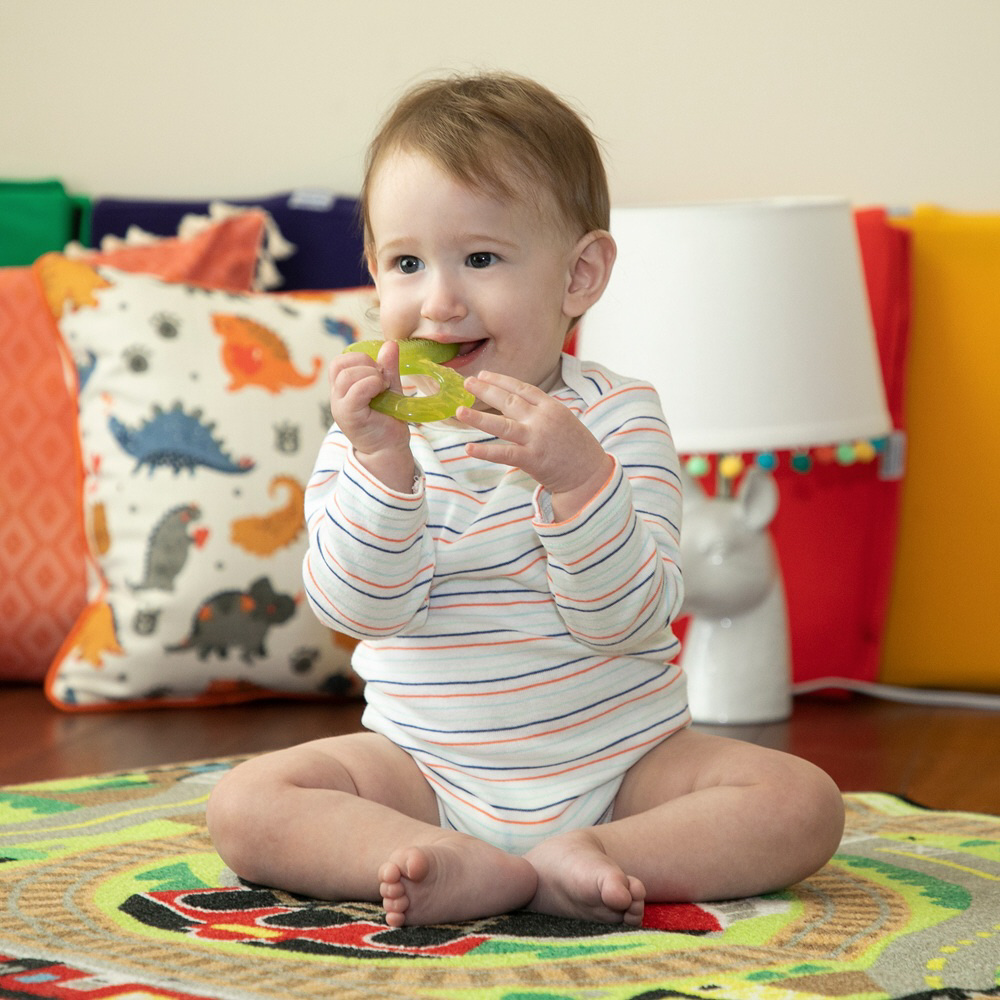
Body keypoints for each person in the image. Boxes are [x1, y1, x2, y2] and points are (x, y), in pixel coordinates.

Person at [207, 71, 845, 929]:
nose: (439, 301)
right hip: (421, 770)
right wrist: (385, 470)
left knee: (802, 804)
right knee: (245, 806)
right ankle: (443, 860)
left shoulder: (619, 419)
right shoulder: (371, 436)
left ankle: (594, 855)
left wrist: (579, 483)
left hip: (624, 768)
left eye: (480, 259)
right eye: (406, 263)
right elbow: (359, 609)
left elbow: (626, 618)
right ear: (375, 278)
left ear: (579, 275)